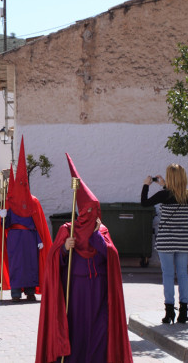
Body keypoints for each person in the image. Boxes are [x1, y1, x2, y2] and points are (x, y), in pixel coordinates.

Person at [36, 153, 132, 363]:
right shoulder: (67, 230)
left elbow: (112, 257)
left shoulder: (102, 231)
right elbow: (53, 261)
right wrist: (63, 249)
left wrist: (97, 236)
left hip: (99, 290)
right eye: (90, 211)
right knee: (77, 329)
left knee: (99, 330)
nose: (94, 216)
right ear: (81, 212)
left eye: (96, 211)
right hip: (75, 291)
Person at [0, 137, 52, 301]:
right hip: (15, 238)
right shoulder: (11, 202)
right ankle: (16, 291)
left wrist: (39, 238)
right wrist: (2, 216)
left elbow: (38, 224)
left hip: (30, 238)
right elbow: (6, 225)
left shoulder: (33, 201)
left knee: (31, 265)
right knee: (16, 264)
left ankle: (30, 291)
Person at [141, 164, 188, 323]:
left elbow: (144, 203)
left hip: (166, 239)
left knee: (168, 275)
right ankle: (183, 310)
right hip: (182, 238)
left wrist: (146, 185)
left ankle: (169, 312)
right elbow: (175, 194)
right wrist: (164, 185)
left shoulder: (164, 195)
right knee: (183, 274)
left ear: (170, 178)